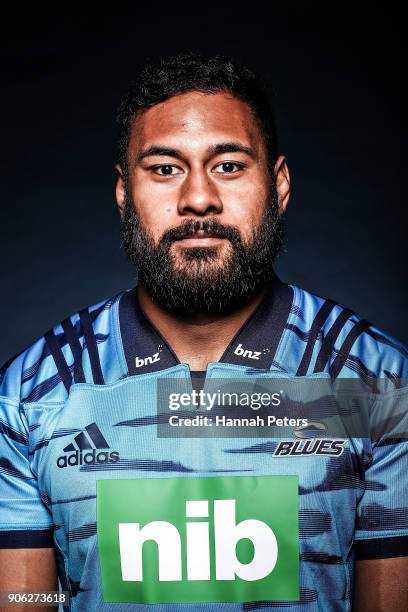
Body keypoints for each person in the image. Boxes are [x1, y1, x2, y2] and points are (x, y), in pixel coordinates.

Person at [0, 51, 407, 612]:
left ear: (279, 184)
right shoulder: (29, 396)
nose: (198, 199)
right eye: (165, 168)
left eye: (229, 166)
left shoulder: (384, 386)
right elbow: (26, 599)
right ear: (125, 193)